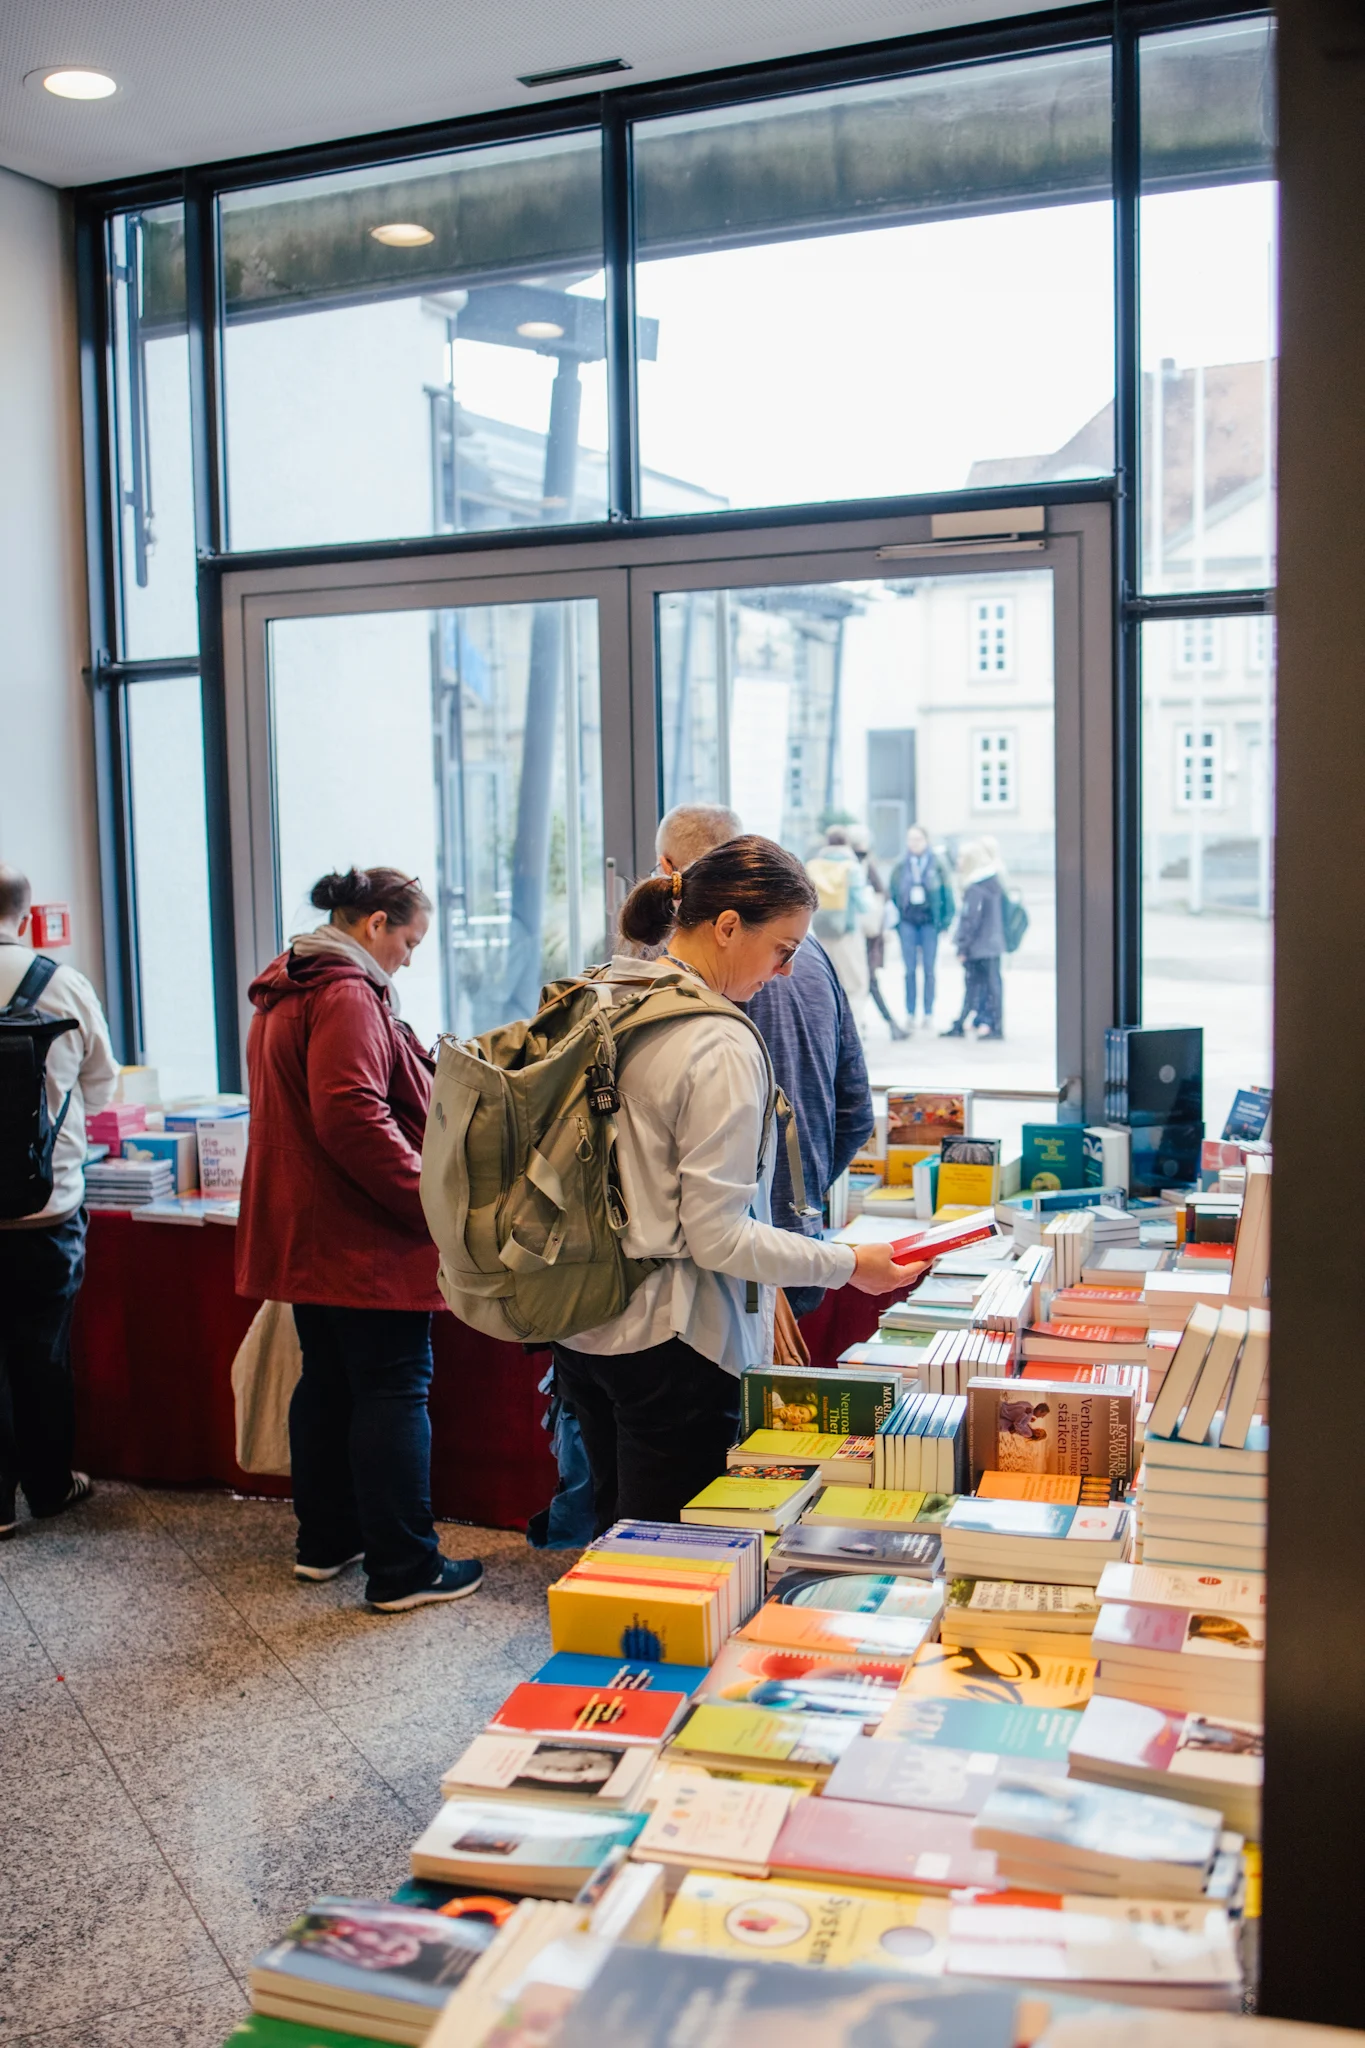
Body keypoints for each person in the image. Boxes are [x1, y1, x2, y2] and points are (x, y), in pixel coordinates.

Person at [549, 834, 922, 1533]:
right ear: (726, 927)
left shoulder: (604, 991)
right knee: (679, 1562)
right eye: (782, 949)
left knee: (613, 1541)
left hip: (579, 1317)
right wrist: (847, 1265)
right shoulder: (716, 1041)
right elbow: (716, 1235)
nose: (785, 972)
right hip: (675, 1340)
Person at [236, 866, 482, 1612]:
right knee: (391, 1387)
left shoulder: (292, 981)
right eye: (409, 940)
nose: (409, 956)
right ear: (375, 923)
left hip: (310, 1230)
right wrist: (428, 1202)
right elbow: (350, 1115)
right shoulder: (345, 992)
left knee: (330, 1383)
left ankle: (327, 1540)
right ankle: (404, 1569)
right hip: (362, 1236)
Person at [657, 805, 874, 1340]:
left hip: (708, 1280)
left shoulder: (675, 976)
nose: (782, 968)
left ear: (667, 871)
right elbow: (854, 1109)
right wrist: (801, 1198)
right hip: (791, 1242)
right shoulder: (813, 954)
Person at [0, 865, 118, 1538]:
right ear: (26, 912)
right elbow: (101, 1088)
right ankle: (48, 1487)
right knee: (42, 1350)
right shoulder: (61, 983)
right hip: (47, 1204)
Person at [805, 827, 873, 1029]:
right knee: (854, 987)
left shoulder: (813, 866)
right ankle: (854, 1033)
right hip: (847, 935)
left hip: (821, 935)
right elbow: (863, 905)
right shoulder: (852, 867)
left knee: (827, 985)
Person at [889, 825, 955, 1031]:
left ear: (926, 841)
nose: (914, 843)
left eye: (917, 839)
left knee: (929, 968)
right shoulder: (901, 865)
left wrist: (945, 922)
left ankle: (928, 1011)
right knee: (909, 969)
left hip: (929, 922)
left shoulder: (937, 864)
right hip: (908, 921)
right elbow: (892, 892)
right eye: (910, 839)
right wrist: (896, 921)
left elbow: (947, 893)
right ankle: (910, 1011)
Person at [846, 826, 908, 1041]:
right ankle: (881, 1025)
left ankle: (879, 1024)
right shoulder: (861, 864)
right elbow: (881, 894)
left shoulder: (839, 863)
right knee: (866, 982)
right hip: (863, 934)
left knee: (860, 982)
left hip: (843, 934)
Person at [942, 840, 1006, 1040]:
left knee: (979, 985)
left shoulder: (976, 887)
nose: (958, 862)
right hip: (992, 943)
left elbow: (970, 920)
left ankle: (981, 1023)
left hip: (980, 946)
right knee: (990, 985)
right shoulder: (993, 882)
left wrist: (962, 945)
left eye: (962, 858)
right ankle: (982, 1021)